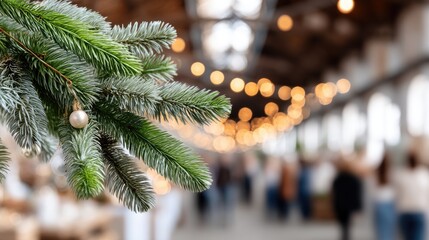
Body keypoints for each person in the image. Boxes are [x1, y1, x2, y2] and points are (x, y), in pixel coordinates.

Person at [395, 152, 429, 240]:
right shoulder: (424, 175)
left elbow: (397, 194)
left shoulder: (402, 175)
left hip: (406, 211)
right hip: (418, 211)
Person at [332, 158, 364, 240]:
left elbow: (334, 193)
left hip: (340, 205)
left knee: (343, 223)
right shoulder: (354, 179)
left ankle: (345, 235)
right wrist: (358, 206)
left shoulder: (338, 179)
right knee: (347, 223)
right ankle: (346, 235)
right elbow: (357, 193)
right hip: (349, 205)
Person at [372, 153, 396, 240]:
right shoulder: (392, 172)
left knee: (381, 231)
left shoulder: (377, 171)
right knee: (389, 230)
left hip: (379, 202)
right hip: (389, 202)